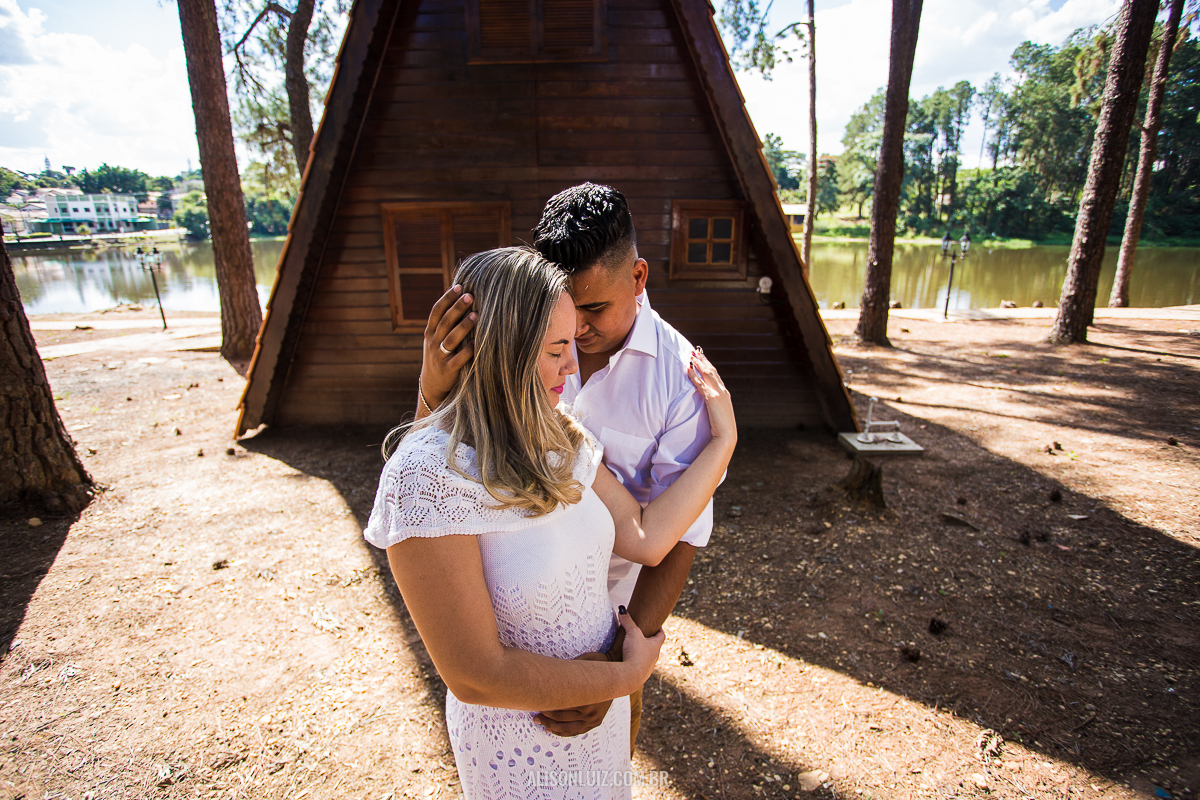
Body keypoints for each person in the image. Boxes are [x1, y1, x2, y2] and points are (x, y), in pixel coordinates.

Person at [366, 247, 736, 799]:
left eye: (572, 345)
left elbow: (647, 537)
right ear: (506, 353)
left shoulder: (558, 435)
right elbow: (474, 674)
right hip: (520, 743)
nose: (573, 366)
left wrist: (724, 440)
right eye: (557, 349)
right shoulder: (422, 477)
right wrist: (626, 676)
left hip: (601, 724)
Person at [418, 183, 718, 747]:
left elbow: (677, 537)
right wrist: (433, 389)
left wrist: (615, 668)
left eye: (593, 308)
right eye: (561, 315)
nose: (576, 332)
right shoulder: (515, 344)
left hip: (608, 626)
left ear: (638, 277)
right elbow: (438, 463)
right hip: (503, 623)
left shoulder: (682, 384)